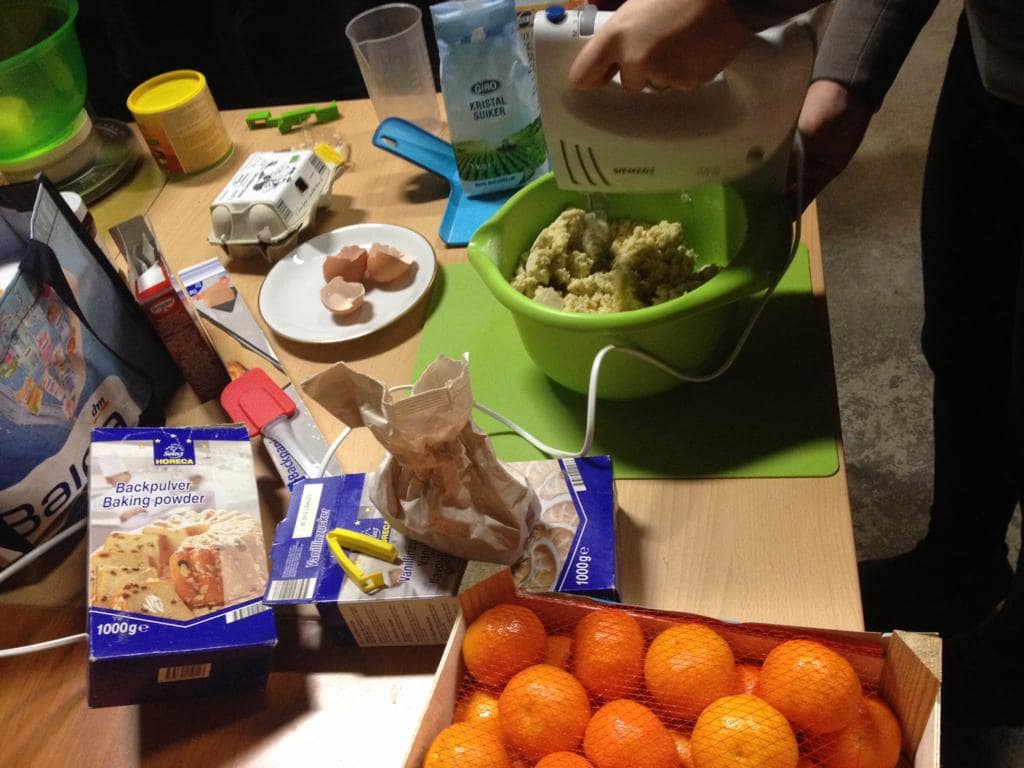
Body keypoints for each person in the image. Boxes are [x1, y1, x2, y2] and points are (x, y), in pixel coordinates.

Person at [573, 0, 1024, 738]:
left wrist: (723, 10)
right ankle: (960, 566)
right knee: (967, 340)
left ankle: (1015, 664)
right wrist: (848, 79)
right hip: (999, 55)